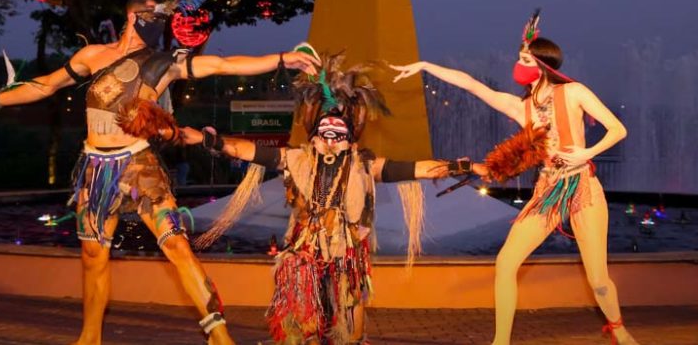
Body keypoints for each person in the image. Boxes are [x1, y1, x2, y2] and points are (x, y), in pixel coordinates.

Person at [0, 0, 319, 345]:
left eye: (164, 17)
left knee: (177, 246)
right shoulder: (92, 55)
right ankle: (89, 338)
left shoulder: (163, 62)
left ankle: (219, 336)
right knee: (93, 255)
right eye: (155, 15)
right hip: (95, 169)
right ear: (133, 16)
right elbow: (45, 85)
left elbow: (222, 65)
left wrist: (283, 58)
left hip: (139, 165)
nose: (160, 23)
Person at [186, 50, 483, 344]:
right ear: (314, 135)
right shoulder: (294, 159)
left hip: (347, 256)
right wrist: (207, 139)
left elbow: (418, 168)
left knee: (351, 329)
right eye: (324, 130)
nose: (330, 137)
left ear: (351, 138)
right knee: (305, 328)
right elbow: (244, 150)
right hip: (304, 252)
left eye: (338, 131)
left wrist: (463, 167)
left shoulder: (366, 165)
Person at [390, 11, 639, 345]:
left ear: (542, 65)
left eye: (525, 59)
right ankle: (501, 341)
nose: (518, 64)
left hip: (583, 187)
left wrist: (586, 153)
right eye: (519, 58)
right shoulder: (520, 108)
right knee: (506, 262)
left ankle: (618, 329)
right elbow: (471, 84)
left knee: (599, 281)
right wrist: (424, 66)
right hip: (547, 191)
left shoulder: (575, 92)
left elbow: (617, 129)